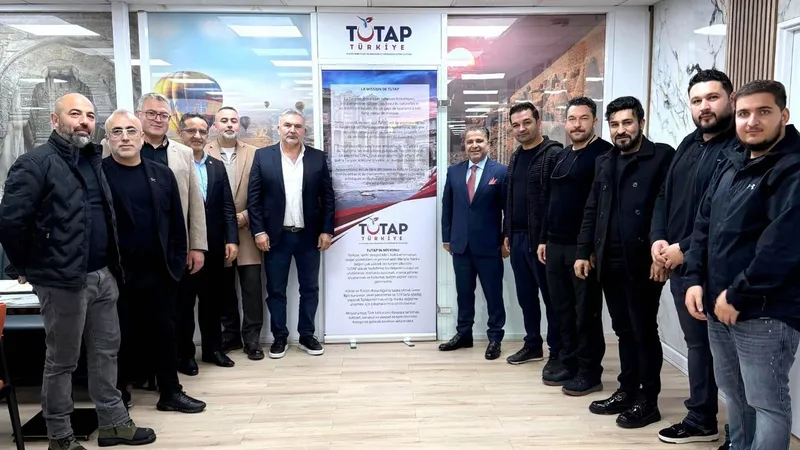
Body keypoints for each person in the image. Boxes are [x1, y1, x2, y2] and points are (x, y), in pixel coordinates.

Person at [0, 94, 156, 450]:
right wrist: (25, 266)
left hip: (102, 275)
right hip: (61, 281)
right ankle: (60, 436)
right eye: (75, 114)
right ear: (55, 121)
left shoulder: (92, 160)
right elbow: (10, 222)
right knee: (62, 361)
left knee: (106, 353)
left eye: (89, 115)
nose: (84, 121)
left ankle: (114, 424)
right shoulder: (35, 163)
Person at [684, 80, 800, 450]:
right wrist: (695, 279)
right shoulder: (732, 162)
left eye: (763, 112)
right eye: (744, 113)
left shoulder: (792, 169)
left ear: (783, 115)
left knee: (767, 404)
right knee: (734, 394)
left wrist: (738, 294)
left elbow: (782, 246)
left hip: (764, 312)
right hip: (719, 306)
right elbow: (704, 225)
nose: (752, 121)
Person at [576, 96, 673, 429]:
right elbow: (592, 207)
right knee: (623, 330)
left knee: (643, 330)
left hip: (645, 260)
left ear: (641, 123)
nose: (621, 130)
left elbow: (668, 207)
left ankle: (649, 401)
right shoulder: (605, 161)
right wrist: (583, 250)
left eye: (627, 122)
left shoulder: (661, 156)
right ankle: (627, 390)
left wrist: (662, 255)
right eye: (614, 124)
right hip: (608, 259)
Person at [651, 69, 737, 446]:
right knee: (698, 345)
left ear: (731, 99)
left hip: (718, 267)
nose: (704, 107)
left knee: (730, 354)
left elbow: (723, 214)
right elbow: (664, 196)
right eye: (697, 100)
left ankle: (739, 430)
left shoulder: (738, 148)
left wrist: (682, 247)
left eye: (712, 98)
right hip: (682, 268)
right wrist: (659, 239)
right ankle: (702, 418)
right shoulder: (688, 143)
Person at [103, 109, 206, 414]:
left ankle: (170, 392)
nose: (125, 137)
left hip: (160, 270)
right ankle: (119, 395)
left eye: (131, 131)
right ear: (107, 139)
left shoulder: (161, 174)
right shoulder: (97, 174)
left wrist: (177, 258)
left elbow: (176, 221)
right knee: (119, 335)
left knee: (165, 331)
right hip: (116, 272)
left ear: (141, 136)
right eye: (117, 131)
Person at [126, 92, 208, 376]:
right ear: (139, 115)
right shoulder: (118, 147)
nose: (158, 119)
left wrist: (197, 246)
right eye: (151, 113)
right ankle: (144, 368)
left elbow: (195, 203)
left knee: (181, 306)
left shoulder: (182, 153)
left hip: (175, 246)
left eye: (163, 115)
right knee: (138, 310)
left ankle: (184, 356)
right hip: (134, 247)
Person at [247, 109, 335, 359]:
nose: (292, 130)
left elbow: (328, 197)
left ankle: (307, 335)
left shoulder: (317, 157)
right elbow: (254, 198)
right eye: (287, 125)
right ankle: (280, 337)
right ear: (279, 129)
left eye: (297, 126)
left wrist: (327, 230)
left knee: (310, 288)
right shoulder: (263, 156)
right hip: (276, 237)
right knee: (276, 290)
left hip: (309, 236)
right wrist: (258, 231)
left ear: (304, 131)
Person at [540, 97, 612, 392]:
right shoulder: (562, 155)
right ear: (565, 122)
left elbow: (602, 208)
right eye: (572, 119)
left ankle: (589, 371)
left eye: (584, 118)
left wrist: (590, 248)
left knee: (586, 313)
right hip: (556, 245)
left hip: (583, 249)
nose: (577, 125)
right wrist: (544, 238)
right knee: (562, 310)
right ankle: (568, 362)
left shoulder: (604, 154)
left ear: (594, 120)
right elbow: (551, 201)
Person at [503, 101, 563, 373]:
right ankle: (532, 344)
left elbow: (557, 201)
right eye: (516, 125)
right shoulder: (516, 156)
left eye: (526, 122)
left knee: (551, 298)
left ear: (539, 122)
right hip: (516, 239)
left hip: (541, 242)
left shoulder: (554, 154)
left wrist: (547, 238)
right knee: (526, 297)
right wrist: (506, 232)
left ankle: (558, 351)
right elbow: (510, 198)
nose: (521, 128)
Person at [440, 126, 509, 360]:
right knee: (463, 294)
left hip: (490, 246)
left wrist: (505, 239)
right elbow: (447, 207)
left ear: (488, 143)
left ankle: (495, 338)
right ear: (465, 145)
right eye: (470, 141)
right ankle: (464, 334)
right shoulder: (454, 172)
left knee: (493, 294)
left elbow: (508, 210)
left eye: (479, 140)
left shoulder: (500, 172)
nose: (474, 145)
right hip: (460, 246)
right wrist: (447, 238)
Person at [177, 113, 239, 373]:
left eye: (202, 131)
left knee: (212, 301)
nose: (197, 136)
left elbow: (227, 206)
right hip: (183, 246)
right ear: (180, 133)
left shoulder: (216, 166)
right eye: (191, 131)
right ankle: (185, 356)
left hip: (214, 246)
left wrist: (231, 239)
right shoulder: (173, 164)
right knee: (184, 304)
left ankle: (213, 349)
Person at [204, 106, 264, 360]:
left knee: (252, 289)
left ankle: (252, 339)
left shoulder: (255, 153)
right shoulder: (202, 152)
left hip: (248, 231)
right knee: (224, 289)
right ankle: (230, 336)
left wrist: (246, 216)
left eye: (234, 120)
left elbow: (265, 192)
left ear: (239, 125)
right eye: (224, 120)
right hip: (217, 233)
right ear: (215, 125)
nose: (229, 124)